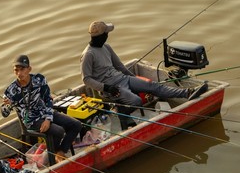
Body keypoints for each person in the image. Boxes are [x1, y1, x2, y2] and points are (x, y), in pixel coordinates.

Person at [80, 21, 208, 130]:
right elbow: (86, 79)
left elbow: (119, 66)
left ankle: (187, 93)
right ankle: (121, 113)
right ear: (101, 36)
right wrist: (107, 88)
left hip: (123, 78)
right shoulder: (88, 54)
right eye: (106, 33)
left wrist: (135, 79)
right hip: (111, 88)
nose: (108, 35)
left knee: (152, 85)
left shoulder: (106, 47)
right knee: (137, 101)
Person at [1, 54, 82, 163]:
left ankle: (60, 152)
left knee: (76, 125)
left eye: (22, 69)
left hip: (46, 113)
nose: (19, 73)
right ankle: (54, 156)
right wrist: (7, 105)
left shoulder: (39, 79)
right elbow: (4, 113)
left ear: (29, 69)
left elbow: (48, 100)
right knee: (59, 131)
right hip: (31, 120)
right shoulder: (11, 90)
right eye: (16, 70)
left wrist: (48, 119)